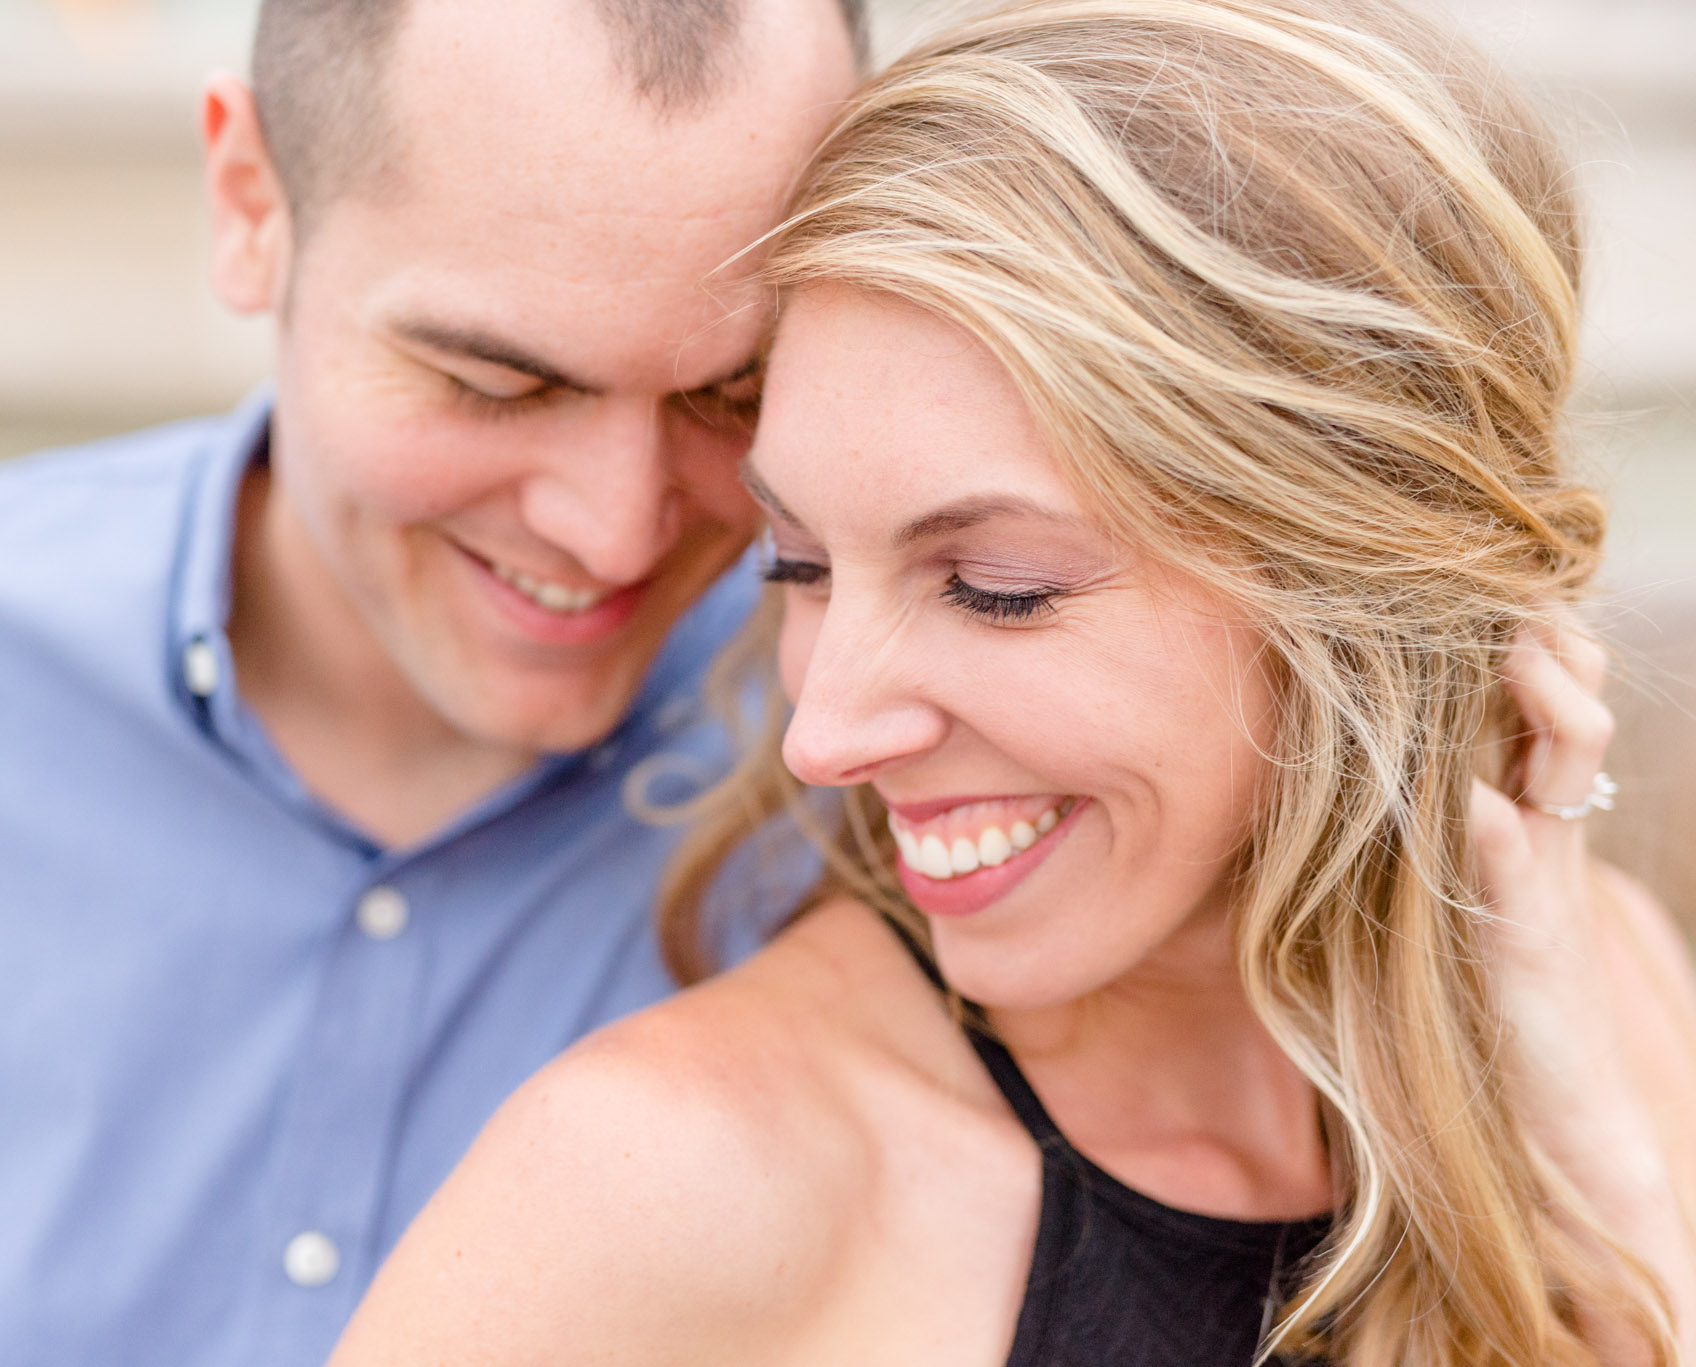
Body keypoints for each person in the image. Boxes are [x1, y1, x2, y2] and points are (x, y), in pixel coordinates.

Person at [325, 1, 1696, 1363]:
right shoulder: (670, 1184)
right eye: (795, 563)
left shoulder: (1601, 987)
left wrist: (1611, 1178)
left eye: (997, 588)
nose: (829, 734)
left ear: (1356, 588)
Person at [0, 2, 862, 1363]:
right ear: (248, 206)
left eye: (730, 393)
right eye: (498, 385)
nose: (616, 528)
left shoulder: (900, 786)